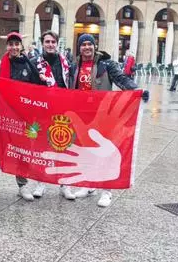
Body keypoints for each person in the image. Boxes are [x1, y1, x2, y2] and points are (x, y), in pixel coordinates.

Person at [67, 34, 148, 207]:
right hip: (82, 114)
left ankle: (106, 191)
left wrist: (137, 90)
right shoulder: (75, 65)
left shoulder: (106, 64)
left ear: (95, 46)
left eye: (90, 44)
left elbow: (122, 79)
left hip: (102, 114)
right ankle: (88, 185)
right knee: (86, 150)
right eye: (83, 45)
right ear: (79, 48)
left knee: (103, 151)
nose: (87, 47)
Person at [0, 31, 44, 201]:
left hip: (23, 118)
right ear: (7, 46)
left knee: (22, 152)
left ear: (21, 46)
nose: (14, 47)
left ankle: (22, 186)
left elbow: (37, 88)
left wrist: (44, 80)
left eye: (17, 44)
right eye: (11, 44)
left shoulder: (28, 65)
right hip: (2, 118)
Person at [27, 30, 78, 201]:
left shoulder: (66, 63)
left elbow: (72, 84)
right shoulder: (34, 63)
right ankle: (41, 182)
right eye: (47, 41)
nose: (50, 44)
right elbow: (26, 85)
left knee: (64, 146)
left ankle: (65, 184)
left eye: (53, 42)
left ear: (57, 43)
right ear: (42, 43)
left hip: (63, 110)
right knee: (43, 148)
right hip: (43, 111)